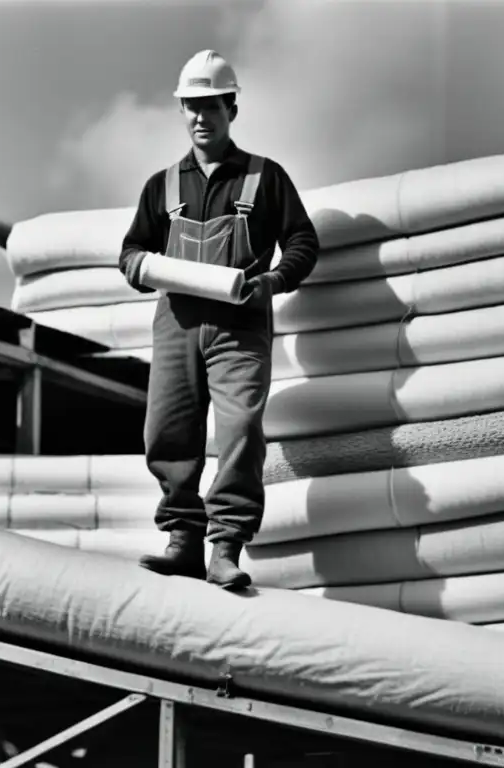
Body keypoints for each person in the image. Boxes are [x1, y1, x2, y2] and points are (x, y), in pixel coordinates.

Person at [118, 49, 320, 590]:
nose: (200, 117)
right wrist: (139, 265)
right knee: (168, 431)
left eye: (211, 106)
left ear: (232, 108)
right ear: (181, 111)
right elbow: (131, 250)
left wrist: (273, 282)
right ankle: (182, 540)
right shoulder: (161, 186)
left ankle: (225, 546)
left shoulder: (265, 178)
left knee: (239, 431)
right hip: (178, 324)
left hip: (240, 327)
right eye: (191, 107)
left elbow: (303, 241)